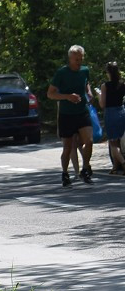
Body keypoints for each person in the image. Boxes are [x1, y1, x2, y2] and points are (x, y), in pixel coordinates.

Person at [48, 45, 95, 186]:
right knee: (68, 147)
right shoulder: (62, 73)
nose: (79, 62)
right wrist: (67, 96)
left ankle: (85, 169)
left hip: (82, 111)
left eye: (81, 59)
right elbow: (50, 94)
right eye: (76, 59)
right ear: (70, 59)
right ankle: (65, 173)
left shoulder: (85, 70)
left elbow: (86, 83)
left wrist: (89, 91)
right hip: (67, 114)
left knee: (90, 141)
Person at [99, 62, 125, 174]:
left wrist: (99, 95)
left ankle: (123, 163)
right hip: (121, 111)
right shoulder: (122, 84)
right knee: (119, 140)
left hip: (111, 113)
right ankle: (115, 166)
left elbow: (103, 104)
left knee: (113, 143)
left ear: (108, 73)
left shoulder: (105, 86)